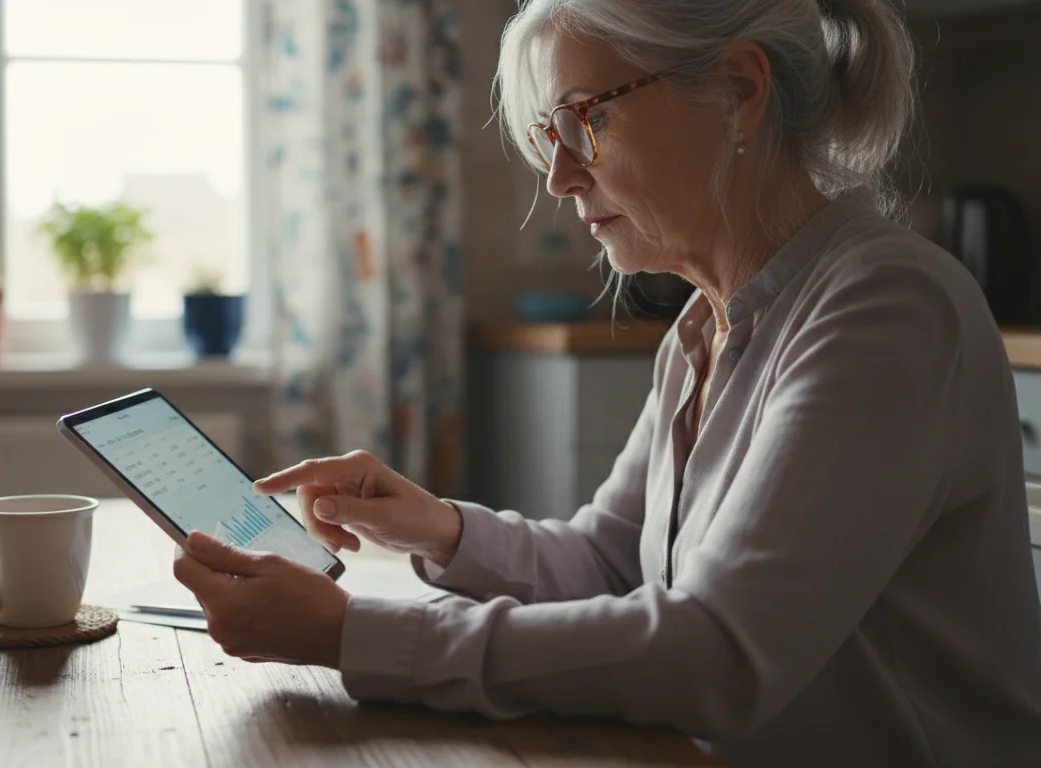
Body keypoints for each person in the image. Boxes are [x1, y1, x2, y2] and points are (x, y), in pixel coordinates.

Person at [173, 0, 1041, 764]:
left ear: (739, 90)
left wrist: (347, 633)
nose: (558, 175)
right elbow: (613, 562)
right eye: (549, 135)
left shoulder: (888, 309)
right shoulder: (708, 326)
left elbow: (717, 654)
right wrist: (438, 530)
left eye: (584, 119)